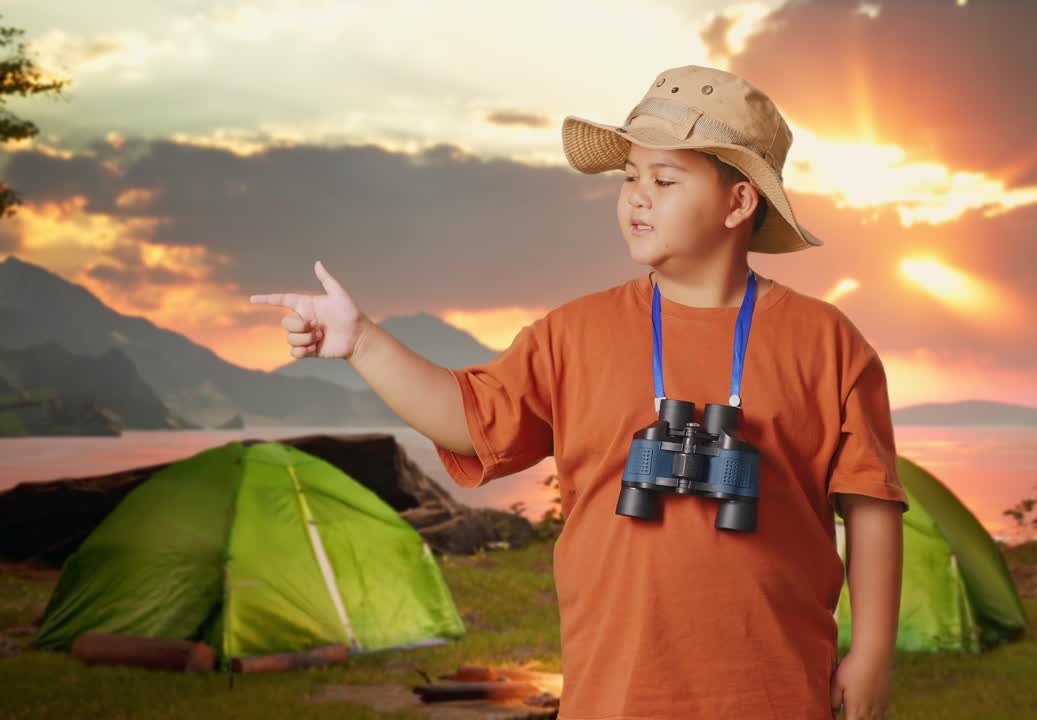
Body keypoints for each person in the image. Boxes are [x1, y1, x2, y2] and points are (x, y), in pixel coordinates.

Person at [250, 64, 909, 720]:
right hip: (616, 692)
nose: (637, 198)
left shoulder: (826, 342)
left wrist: (873, 651)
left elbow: (871, 503)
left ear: (739, 203)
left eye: (664, 180)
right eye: (629, 178)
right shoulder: (573, 334)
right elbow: (469, 420)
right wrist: (362, 342)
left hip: (773, 688)